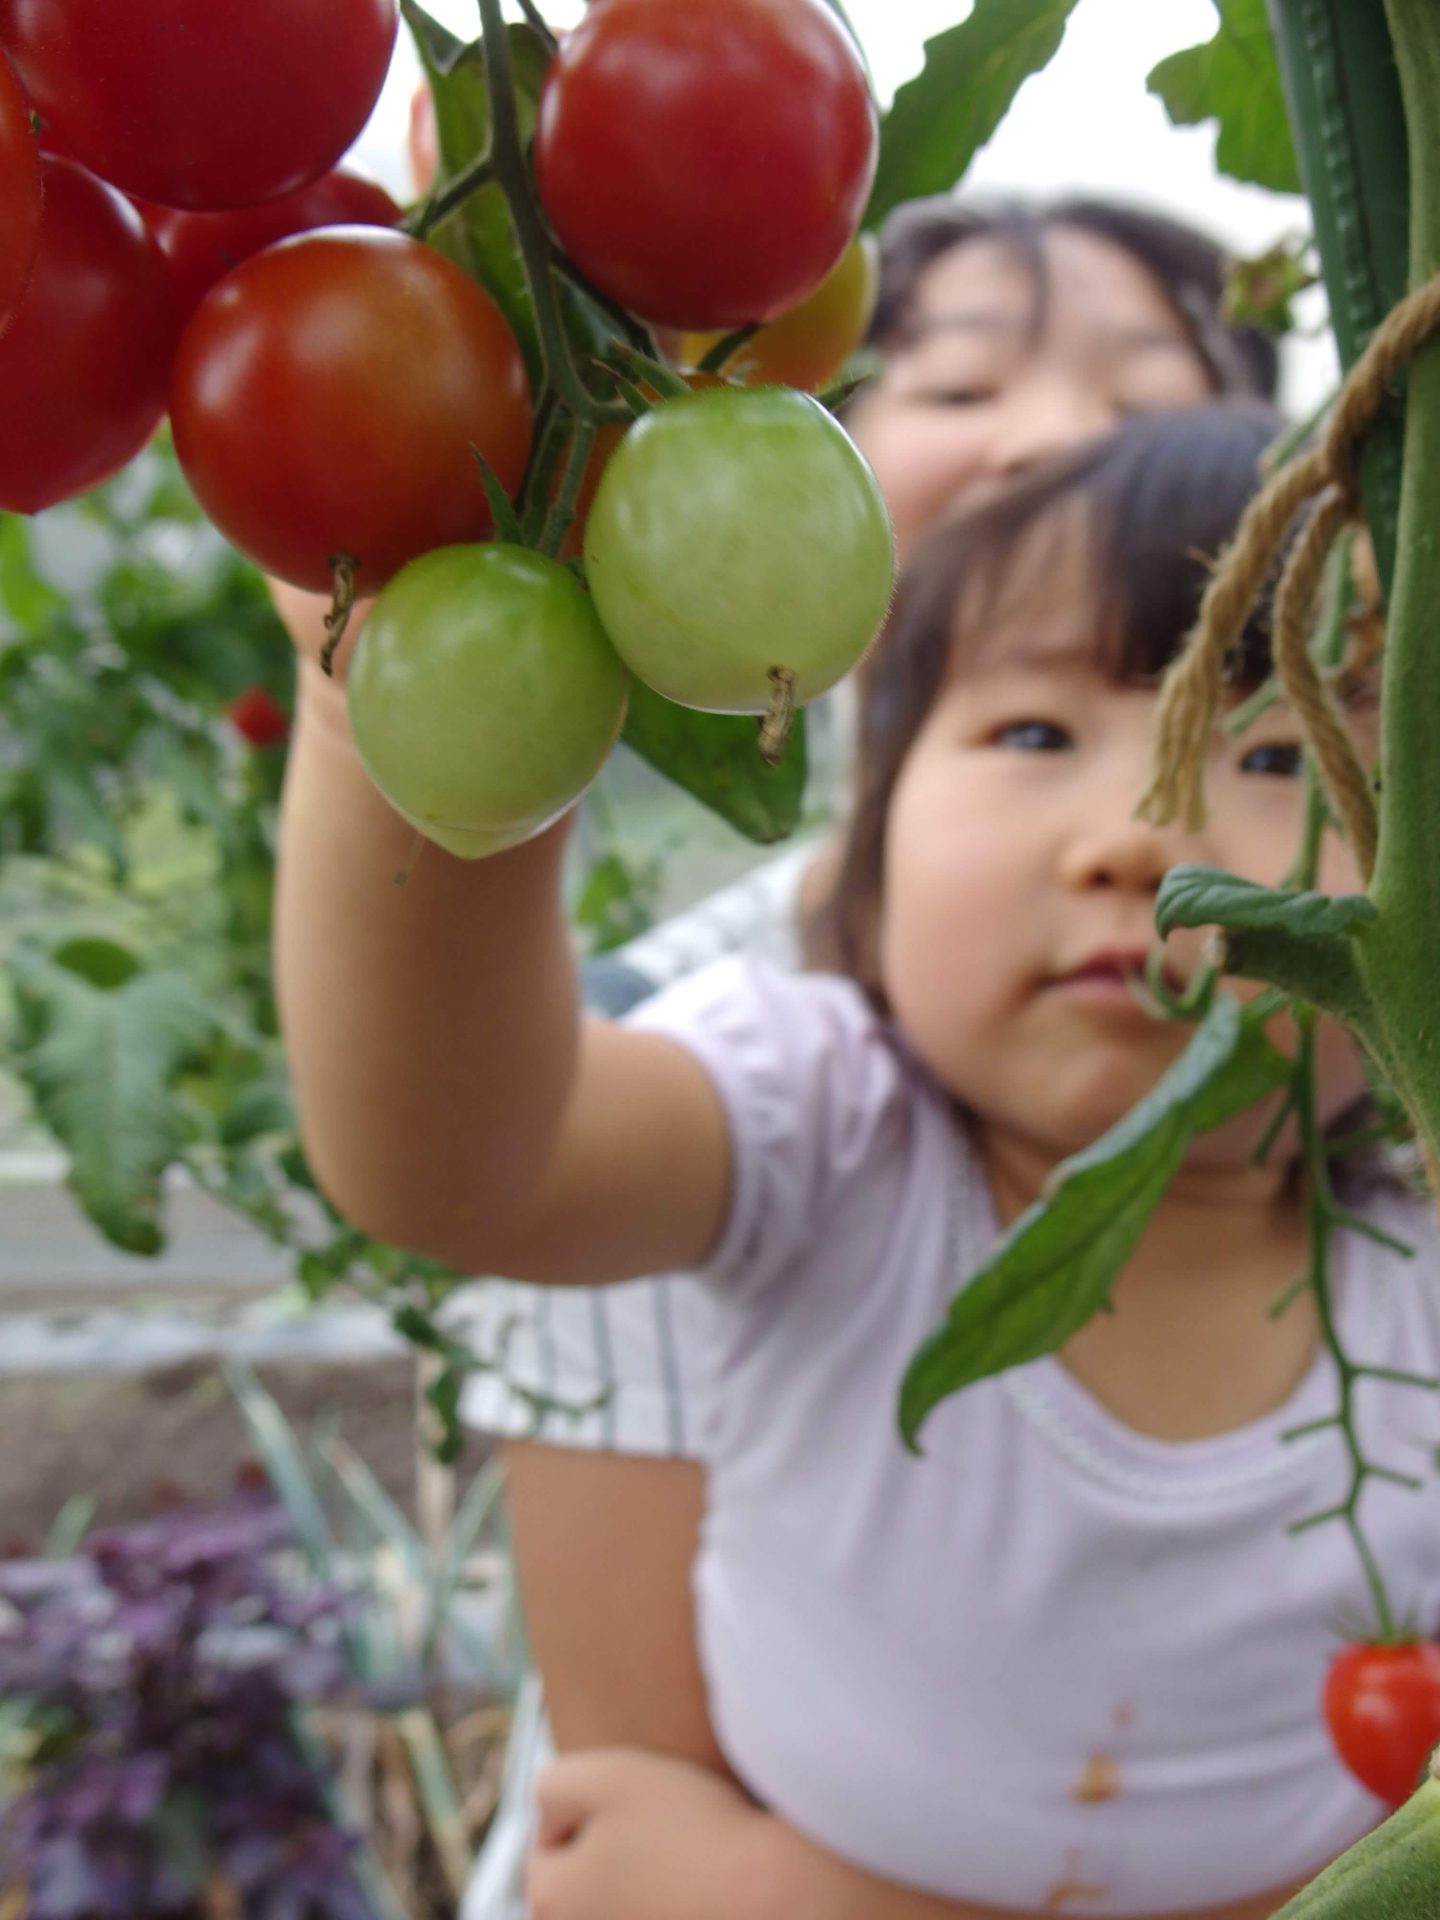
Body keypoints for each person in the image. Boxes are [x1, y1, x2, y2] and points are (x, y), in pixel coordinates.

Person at [274, 396, 1437, 1919]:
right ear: (866, 859)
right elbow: (465, 1157)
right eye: (1033, 731)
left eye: (1283, 755)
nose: (1141, 837)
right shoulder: (823, 1126)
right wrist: (381, 689)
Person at [445, 191, 1282, 1895]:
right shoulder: (709, 1079)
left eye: (1148, 391)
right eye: (961, 384)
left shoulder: (1368, 1127)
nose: (1053, 435)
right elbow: (632, 1809)